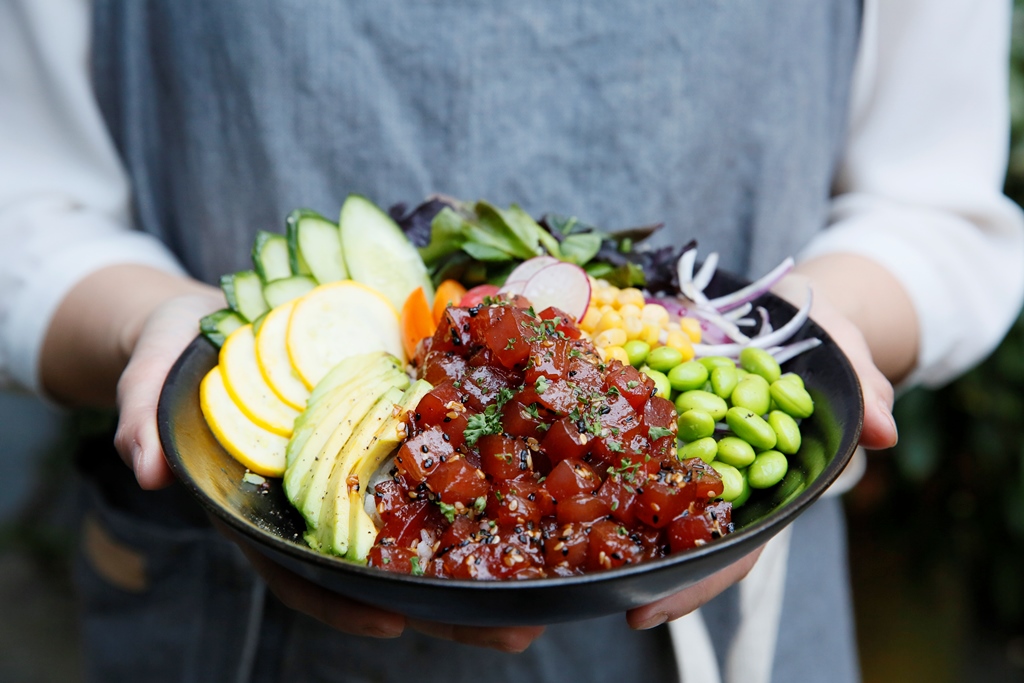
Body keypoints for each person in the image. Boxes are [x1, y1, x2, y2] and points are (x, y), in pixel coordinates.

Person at [1, 0, 1022, 681]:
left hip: (733, 626)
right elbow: (25, 207)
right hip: (231, 614)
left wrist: (811, 318)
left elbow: (933, 206)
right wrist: (157, 323)